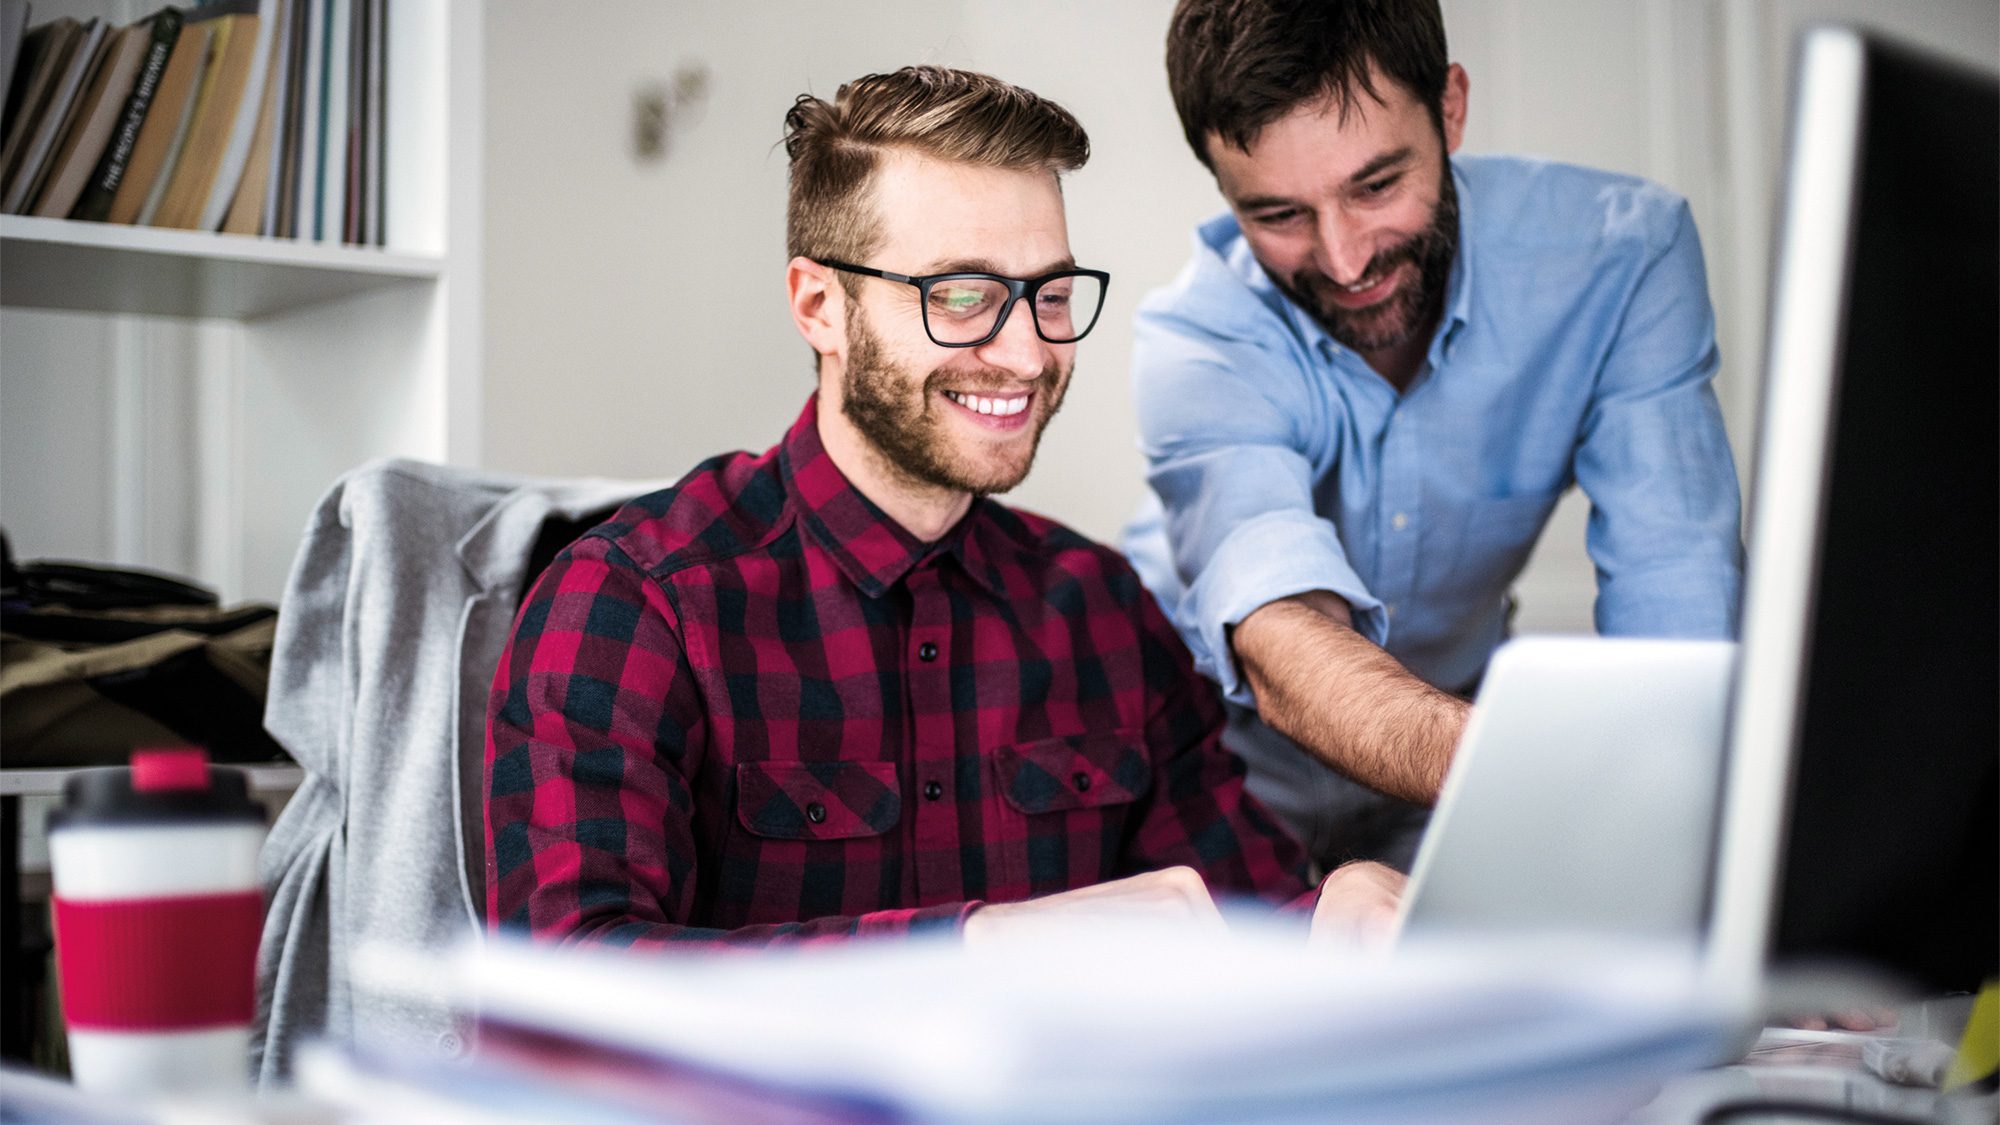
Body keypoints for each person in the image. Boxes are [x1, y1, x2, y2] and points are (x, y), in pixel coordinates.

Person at [483, 65, 1403, 950]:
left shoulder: (1102, 610)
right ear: (819, 306)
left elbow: (1244, 925)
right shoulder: (636, 604)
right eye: (961, 295)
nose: (1028, 353)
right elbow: (567, 991)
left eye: (1049, 294)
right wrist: (973, 946)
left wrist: (1332, 911)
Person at [1122, 0, 1743, 870]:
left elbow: (1675, 590)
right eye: (1278, 215)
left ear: (1450, 108)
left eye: (1376, 186)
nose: (1343, 262)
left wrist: (1714, 842)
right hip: (1216, 750)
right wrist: (1549, 774)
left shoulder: (1621, 261)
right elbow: (1285, 638)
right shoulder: (1198, 337)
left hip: (1455, 728)